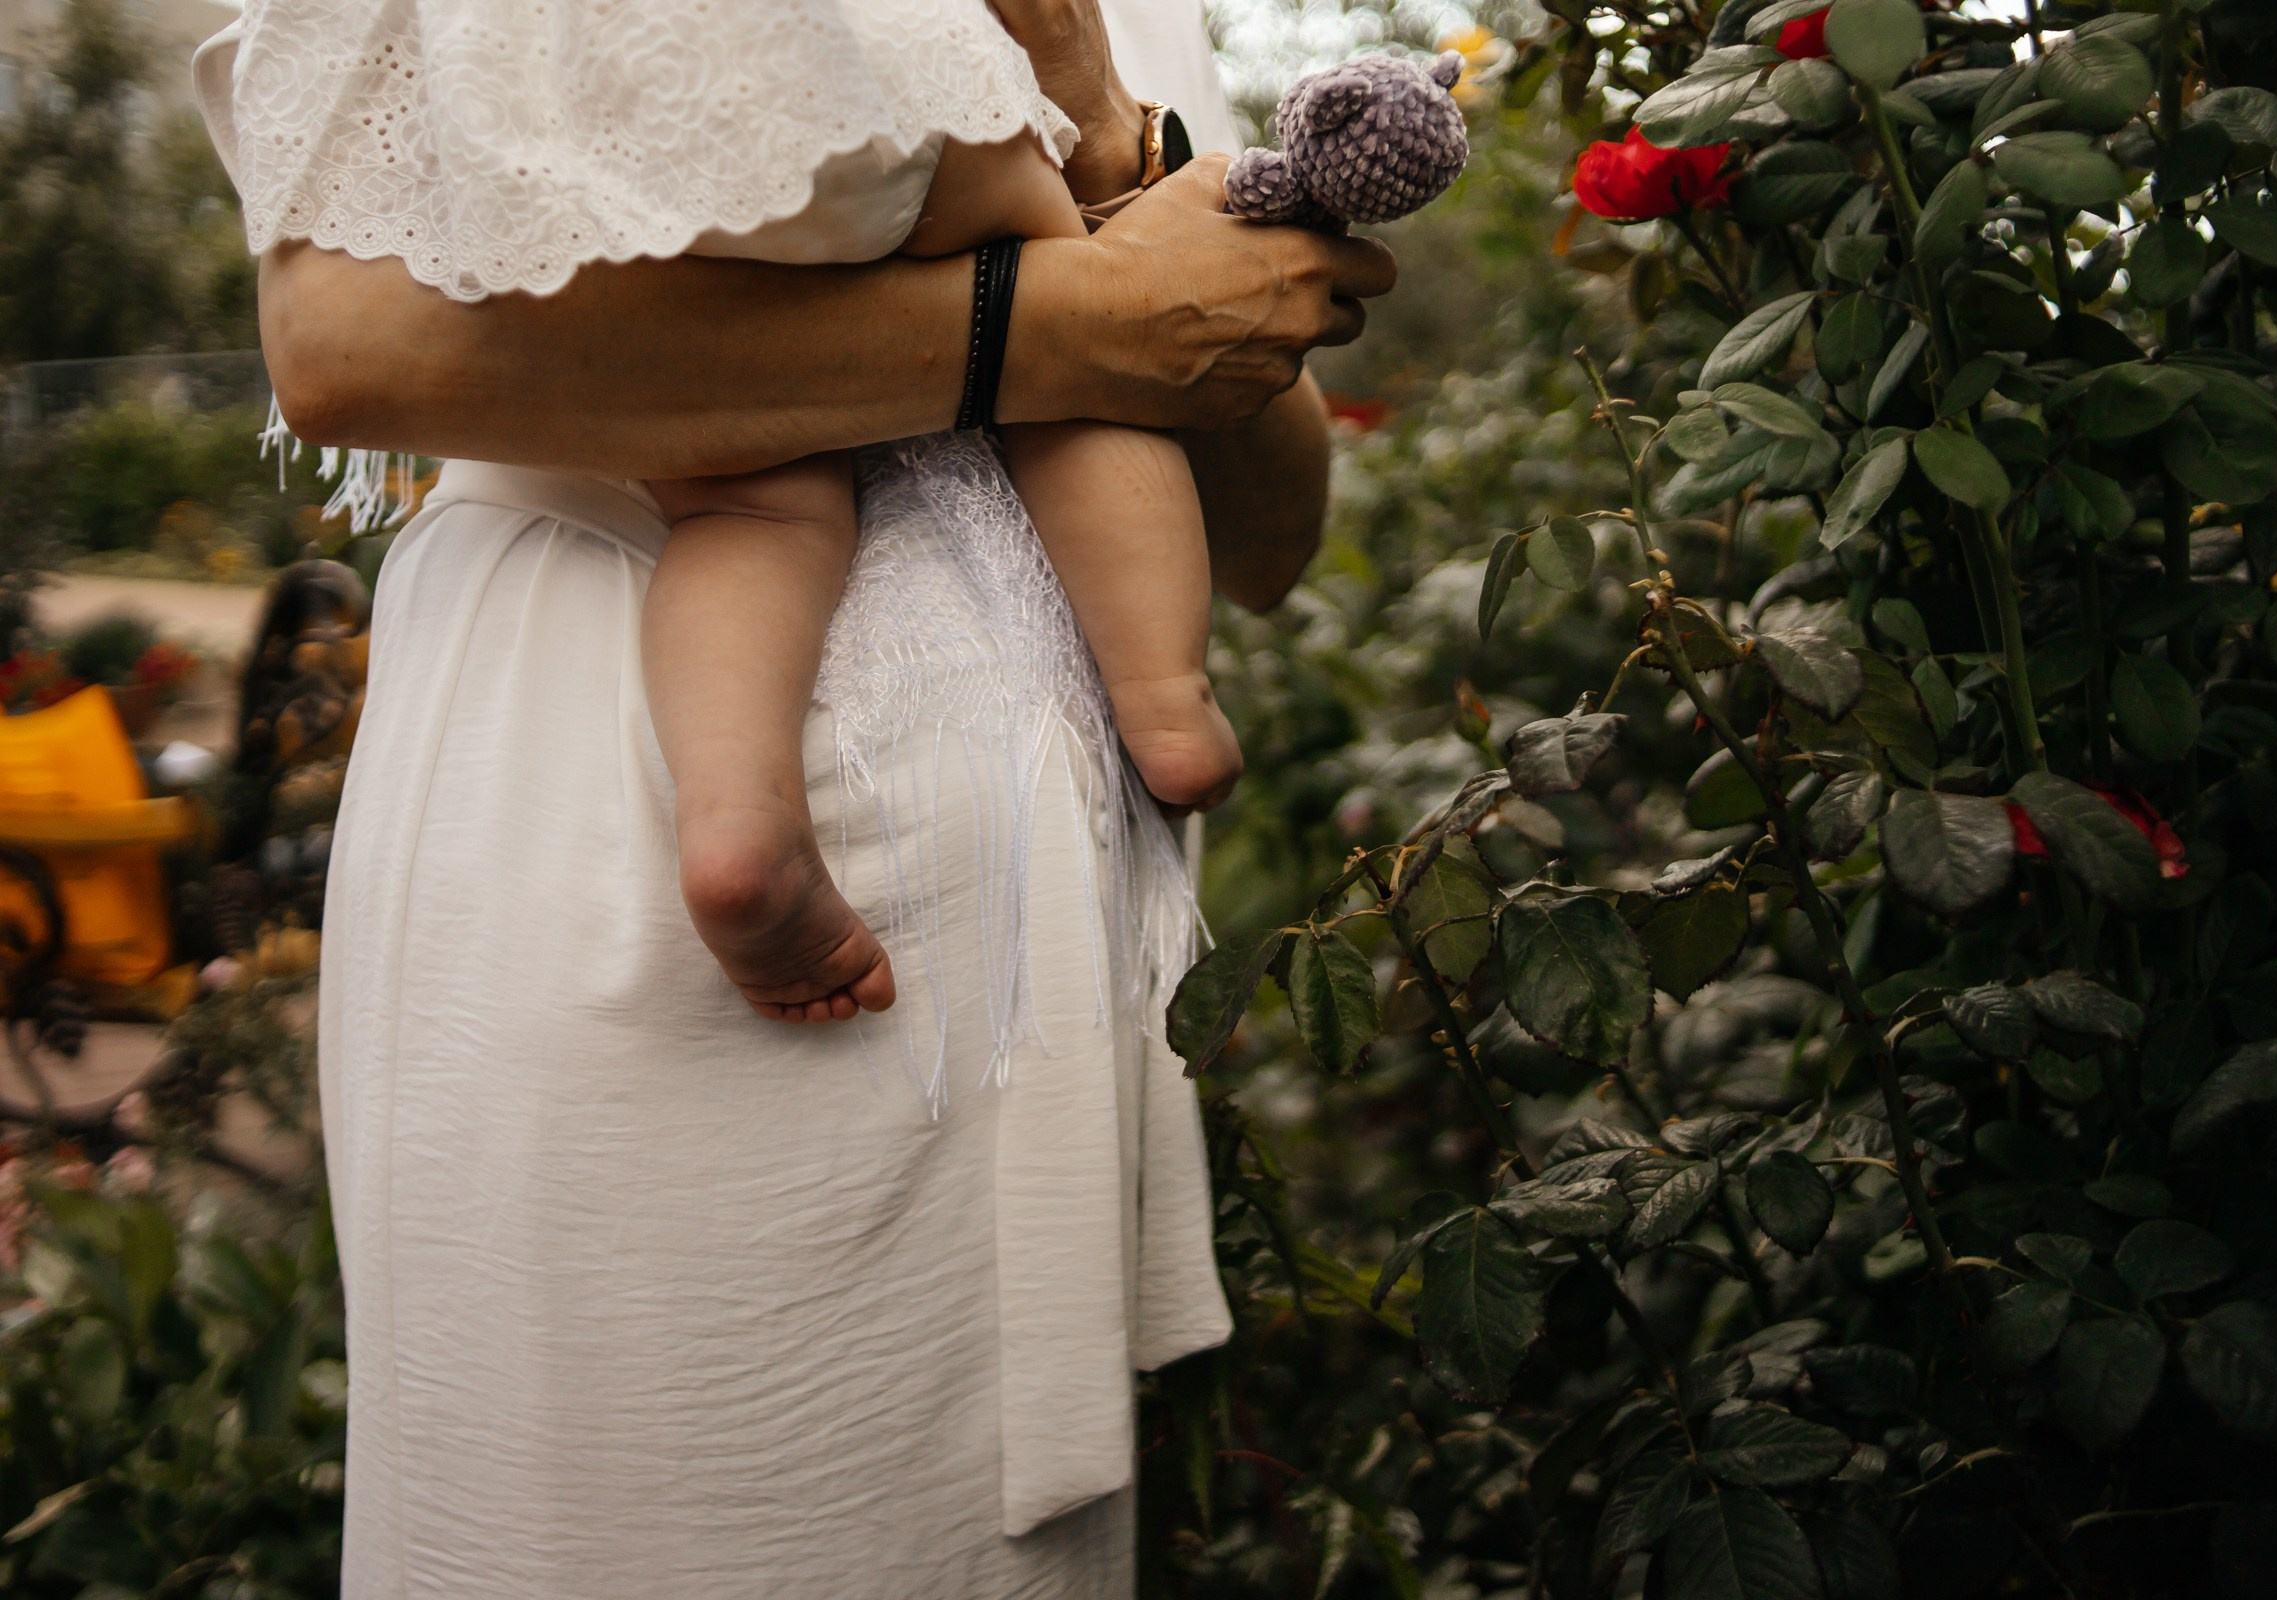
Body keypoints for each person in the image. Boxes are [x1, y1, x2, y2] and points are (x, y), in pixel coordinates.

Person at [192, 0, 1396, 1595]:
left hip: (1016, 925)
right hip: (631, 825)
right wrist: (1054, 322)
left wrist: (1105, 134)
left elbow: (1267, 536)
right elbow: (346, 353)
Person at [649, 116, 1240, 1028]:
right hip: (896, 96)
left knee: (746, 501)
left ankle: (737, 810)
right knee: (1080, 340)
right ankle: (1167, 695)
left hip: (643, 145)